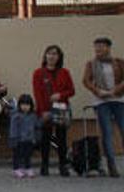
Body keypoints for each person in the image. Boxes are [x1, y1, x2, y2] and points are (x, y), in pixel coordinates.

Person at [83, 37, 124, 178]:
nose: (98, 49)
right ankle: (111, 165)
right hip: (101, 101)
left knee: (123, 129)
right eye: (96, 46)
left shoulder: (118, 62)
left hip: (119, 99)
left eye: (101, 46)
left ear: (108, 47)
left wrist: (116, 90)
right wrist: (97, 91)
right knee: (106, 132)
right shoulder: (91, 64)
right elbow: (86, 81)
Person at [32, 45, 75, 177]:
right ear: (45, 56)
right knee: (46, 138)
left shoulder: (65, 72)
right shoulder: (38, 73)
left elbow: (72, 90)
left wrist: (60, 95)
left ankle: (63, 165)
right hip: (45, 109)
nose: (52, 56)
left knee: (61, 138)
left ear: (59, 57)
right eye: (49, 53)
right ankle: (44, 165)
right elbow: (37, 93)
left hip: (61, 109)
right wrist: (43, 111)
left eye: (55, 54)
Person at [9, 94, 40, 179]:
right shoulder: (16, 115)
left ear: (31, 106)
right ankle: (16, 169)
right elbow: (13, 128)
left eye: (27, 104)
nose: (25, 107)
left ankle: (27, 168)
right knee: (17, 155)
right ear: (19, 105)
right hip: (18, 139)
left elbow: (37, 125)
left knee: (28, 155)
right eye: (23, 104)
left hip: (29, 139)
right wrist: (13, 138)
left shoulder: (33, 115)